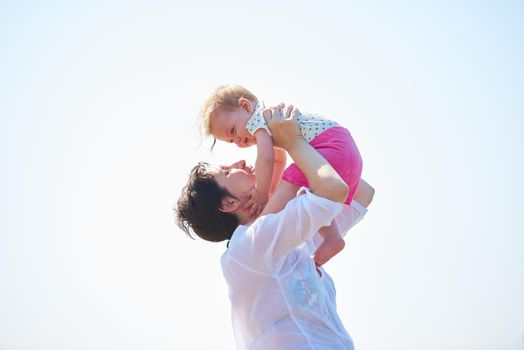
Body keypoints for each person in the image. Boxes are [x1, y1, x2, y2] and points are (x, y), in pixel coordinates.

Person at [176, 104, 374, 349]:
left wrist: (284, 139)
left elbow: (361, 193)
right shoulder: (248, 246)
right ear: (229, 203)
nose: (239, 160)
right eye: (227, 171)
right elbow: (335, 190)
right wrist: (294, 142)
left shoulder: (285, 239)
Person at [199, 85, 363, 266]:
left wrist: (262, 193)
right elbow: (278, 159)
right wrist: (270, 192)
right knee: (302, 191)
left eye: (233, 131)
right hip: (343, 150)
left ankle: (266, 231)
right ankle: (332, 237)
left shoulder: (259, 122)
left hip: (332, 147)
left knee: (293, 177)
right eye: (231, 141)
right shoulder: (270, 122)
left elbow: (267, 160)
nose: (238, 141)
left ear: (246, 107)